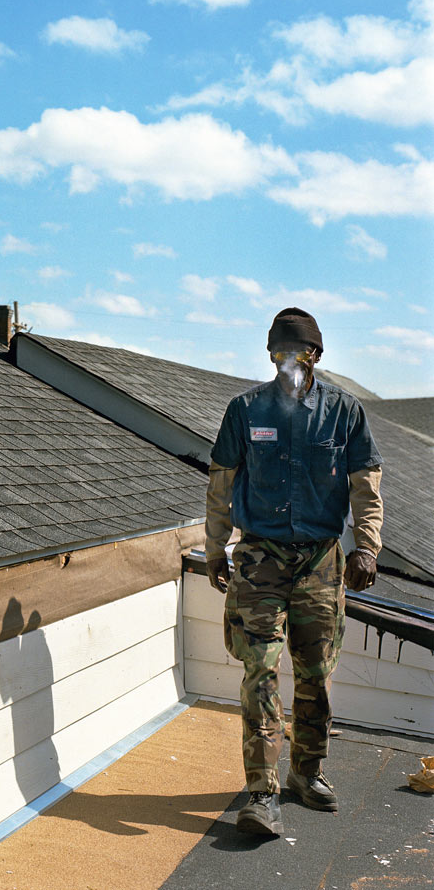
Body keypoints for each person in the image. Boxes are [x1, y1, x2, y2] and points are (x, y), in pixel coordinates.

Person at [205, 307, 383, 836]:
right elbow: (221, 480)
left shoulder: (344, 412)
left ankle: (307, 772)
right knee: (259, 669)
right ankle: (261, 792)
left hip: (321, 563)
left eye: (298, 353)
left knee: (315, 672)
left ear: (317, 357)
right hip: (260, 559)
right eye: (279, 353)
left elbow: (366, 485)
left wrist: (367, 548)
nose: (288, 362)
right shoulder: (246, 410)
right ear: (269, 355)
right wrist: (216, 548)